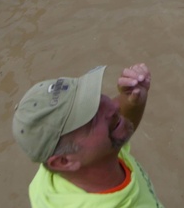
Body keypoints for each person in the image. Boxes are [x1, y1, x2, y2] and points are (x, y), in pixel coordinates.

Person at [13, 63, 162, 208]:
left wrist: (133, 101)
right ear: (64, 161)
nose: (115, 106)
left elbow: (117, 131)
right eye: (91, 118)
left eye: (97, 98)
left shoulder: (70, 162)